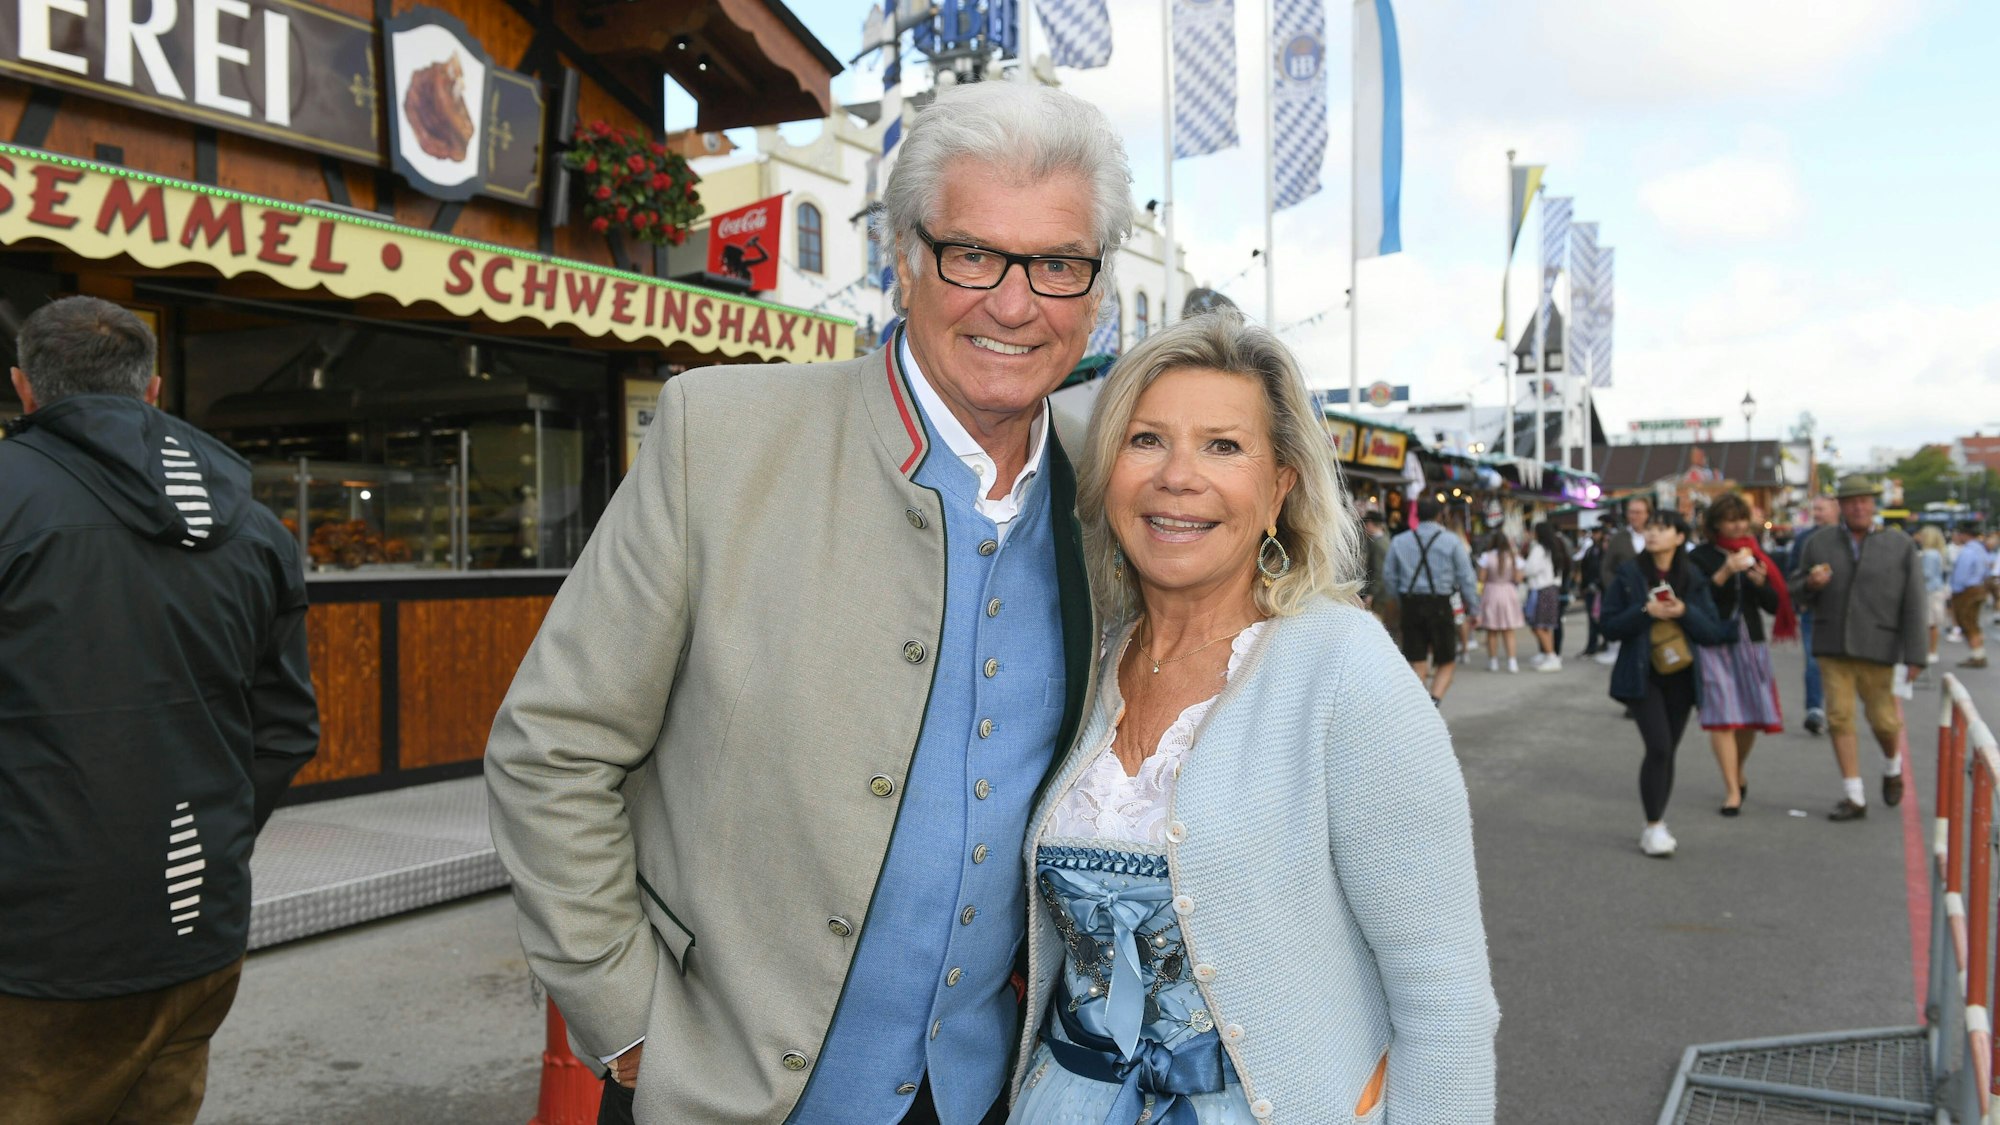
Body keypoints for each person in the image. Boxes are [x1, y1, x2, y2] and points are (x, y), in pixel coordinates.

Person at [484, 81, 1123, 1125]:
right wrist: (629, 1020)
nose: (1013, 303)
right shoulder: (719, 436)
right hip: (720, 1093)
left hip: (981, 1093)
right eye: (971, 253)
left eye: (1055, 264)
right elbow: (551, 748)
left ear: (1094, 292)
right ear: (904, 260)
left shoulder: (1112, 489)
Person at [1009, 310, 1499, 1124]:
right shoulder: (1083, 661)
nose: (1178, 475)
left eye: (1223, 446)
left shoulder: (1344, 667)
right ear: (1107, 474)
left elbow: (1444, 993)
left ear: (1279, 490)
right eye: (1145, 439)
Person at [0, 296, 320, 1123]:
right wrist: (203, 836)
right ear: (152, 392)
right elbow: (285, 726)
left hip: (38, 951)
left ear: (24, 389)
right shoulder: (255, 527)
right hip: (195, 932)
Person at [1790, 477, 1928, 821]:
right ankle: (1854, 795)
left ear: (1874, 504)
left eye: (1865, 501)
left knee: (1883, 721)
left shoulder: (1899, 545)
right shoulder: (1818, 542)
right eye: (1851, 501)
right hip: (1831, 643)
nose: (1858, 507)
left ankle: (1891, 765)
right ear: (1840, 505)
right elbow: (1794, 588)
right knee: (1838, 717)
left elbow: (1915, 601)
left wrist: (1916, 653)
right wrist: (1809, 583)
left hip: (1880, 644)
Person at [1601, 511, 1732, 857]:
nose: (1653, 534)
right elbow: (1609, 625)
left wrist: (1682, 611)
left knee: (1667, 751)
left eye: (1663, 528)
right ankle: (1654, 825)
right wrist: (1646, 612)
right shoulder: (1630, 574)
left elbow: (1712, 631)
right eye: (1651, 528)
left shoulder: (1692, 576)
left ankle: (1656, 824)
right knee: (1658, 746)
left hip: (1684, 676)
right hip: (1642, 675)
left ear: (1679, 537)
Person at [1688, 493, 1795, 816]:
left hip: (1752, 642)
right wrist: (1723, 573)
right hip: (1713, 643)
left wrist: (1762, 584)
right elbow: (1696, 600)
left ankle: (1737, 770)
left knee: (1749, 716)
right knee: (1722, 717)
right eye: (1729, 519)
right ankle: (1732, 790)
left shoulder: (1758, 554)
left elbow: (1774, 606)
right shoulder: (1701, 557)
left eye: (1741, 518)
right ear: (1715, 523)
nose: (1736, 525)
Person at [1384, 495, 1483, 704]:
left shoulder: (1399, 541)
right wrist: (1474, 609)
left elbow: (1389, 578)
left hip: (1410, 603)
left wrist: (1401, 602)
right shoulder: (1452, 541)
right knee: (1446, 660)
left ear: (1416, 515)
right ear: (1440, 515)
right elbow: (1467, 578)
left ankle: (1418, 707)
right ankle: (1434, 702)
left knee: (1416, 661)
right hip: (1440, 604)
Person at [1787, 494, 1840, 734]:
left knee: (1841, 664)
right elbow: (1792, 574)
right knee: (1814, 661)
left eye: (1822, 509)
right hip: (1814, 610)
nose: (1817, 514)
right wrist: (1802, 595)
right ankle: (1814, 710)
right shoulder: (1804, 539)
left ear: (1836, 509)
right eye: (1815, 509)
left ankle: (1837, 711)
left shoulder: (1849, 538)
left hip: (1844, 612)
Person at [1595, 495, 1653, 666]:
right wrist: (1616, 588)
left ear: (1648, 513)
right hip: (1625, 595)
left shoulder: (1655, 534)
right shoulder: (1619, 538)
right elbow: (1606, 567)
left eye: (1638, 512)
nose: (1634, 516)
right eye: (1631, 512)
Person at [1477, 529, 1525, 672]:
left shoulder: (1486, 557)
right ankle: (1512, 662)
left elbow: (1481, 578)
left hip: (1491, 592)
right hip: (1509, 592)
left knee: (1492, 630)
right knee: (1508, 630)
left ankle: (1493, 661)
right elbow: (1518, 578)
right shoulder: (1514, 557)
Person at [1524, 522, 1568, 671]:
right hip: (1551, 589)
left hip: (1540, 590)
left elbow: (1530, 569)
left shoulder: (1539, 549)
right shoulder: (1553, 548)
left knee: (1538, 625)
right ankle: (1548, 653)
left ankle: (1550, 655)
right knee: (1545, 625)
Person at [1950, 522, 1992, 669]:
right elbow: (1988, 570)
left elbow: (1961, 575)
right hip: (1979, 587)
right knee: (1973, 622)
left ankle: (1977, 655)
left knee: (1967, 622)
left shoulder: (1968, 551)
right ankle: (1979, 653)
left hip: (1967, 590)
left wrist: (1955, 590)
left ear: (1965, 535)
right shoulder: (1980, 549)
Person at [1917, 525, 1949, 665]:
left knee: (1931, 622)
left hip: (1930, 591)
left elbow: (1927, 574)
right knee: (1932, 622)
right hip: (1936, 590)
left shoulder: (1929, 554)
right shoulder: (1937, 553)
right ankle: (1932, 650)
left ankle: (1932, 651)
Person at [1579, 527, 1609, 656]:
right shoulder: (1590, 550)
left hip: (1604, 589)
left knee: (1604, 617)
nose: (1595, 535)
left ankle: (1606, 642)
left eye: (1597, 533)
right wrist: (1584, 586)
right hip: (1591, 589)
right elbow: (1584, 568)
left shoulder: (1606, 551)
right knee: (1592, 619)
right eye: (1594, 533)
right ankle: (1592, 645)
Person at [1360, 508, 1392, 617]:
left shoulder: (1378, 544)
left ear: (1370, 524)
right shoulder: (1384, 539)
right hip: (1382, 591)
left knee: (1376, 619)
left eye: (1365, 524)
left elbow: (1379, 571)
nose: (1364, 527)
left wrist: (1371, 594)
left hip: (1379, 594)